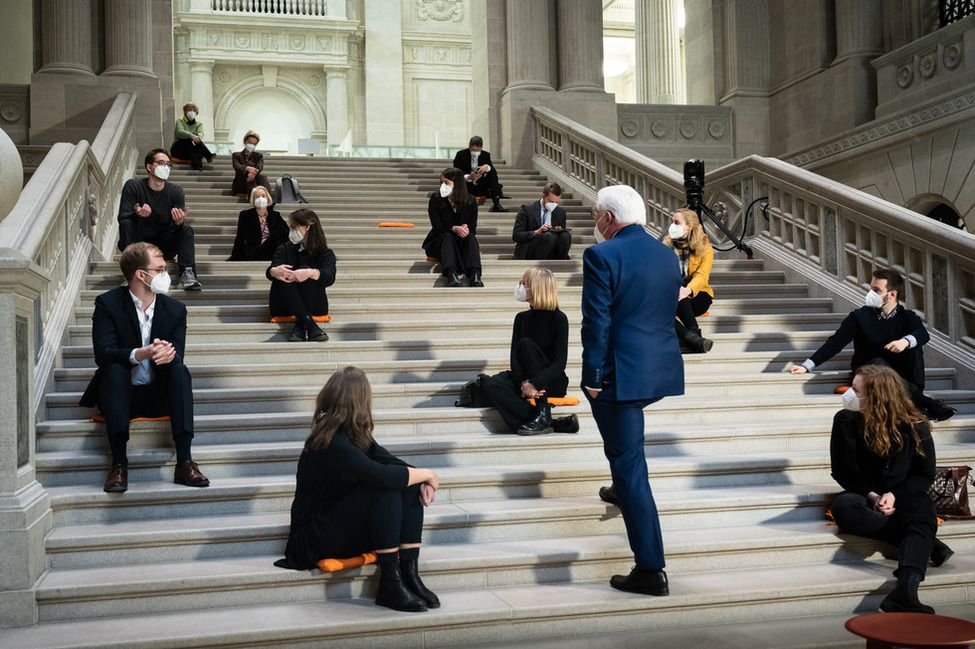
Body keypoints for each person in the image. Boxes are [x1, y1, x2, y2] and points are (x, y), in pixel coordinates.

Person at [582, 185, 684, 596]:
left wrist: (591, 376)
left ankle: (651, 568)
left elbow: (597, 322)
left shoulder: (601, 254)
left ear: (608, 217)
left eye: (595, 214)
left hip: (618, 377)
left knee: (631, 467)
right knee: (624, 455)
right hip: (655, 370)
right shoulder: (666, 254)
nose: (595, 222)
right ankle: (618, 487)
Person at [274, 366, 441, 613]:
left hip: (339, 526)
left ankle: (408, 573)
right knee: (384, 486)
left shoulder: (353, 436)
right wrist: (429, 474)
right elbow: (381, 476)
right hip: (312, 537)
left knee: (407, 483)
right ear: (360, 402)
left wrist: (424, 479)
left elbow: (393, 465)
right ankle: (389, 582)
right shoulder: (330, 442)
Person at [79, 242, 209, 492]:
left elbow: (178, 354)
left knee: (180, 371)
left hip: (158, 395)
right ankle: (119, 464)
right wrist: (141, 353)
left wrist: (167, 354)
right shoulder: (108, 303)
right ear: (141, 274)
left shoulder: (175, 309)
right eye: (160, 269)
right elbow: (103, 354)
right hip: (120, 395)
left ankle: (185, 462)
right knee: (115, 369)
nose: (166, 274)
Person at [829, 364, 953, 614]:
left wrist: (894, 495)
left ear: (877, 397)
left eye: (856, 389)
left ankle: (906, 592)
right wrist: (873, 495)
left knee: (923, 513)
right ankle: (930, 543)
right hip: (864, 493)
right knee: (844, 507)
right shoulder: (844, 420)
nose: (849, 394)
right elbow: (841, 471)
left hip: (904, 491)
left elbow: (924, 474)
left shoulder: (915, 425)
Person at [789, 269, 955, 421]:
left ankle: (914, 400)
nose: (870, 293)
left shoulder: (907, 317)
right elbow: (835, 343)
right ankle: (925, 402)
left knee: (914, 345)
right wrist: (807, 366)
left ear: (892, 295)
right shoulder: (859, 316)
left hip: (899, 374)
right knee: (878, 363)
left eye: (877, 290)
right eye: (871, 288)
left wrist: (904, 342)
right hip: (868, 370)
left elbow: (923, 334)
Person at [481, 268, 579, 436]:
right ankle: (550, 421)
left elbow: (559, 362)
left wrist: (534, 382)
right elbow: (514, 359)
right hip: (525, 380)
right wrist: (525, 384)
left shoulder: (559, 319)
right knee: (490, 384)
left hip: (551, 380)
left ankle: (542, 414)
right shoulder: (521, 318)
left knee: (526, 344)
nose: (520, 286)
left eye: (524, 283)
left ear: (537, 288)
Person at [117, 148, 202, 291]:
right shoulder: (133, 186)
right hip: (139, 245)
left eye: (168, 164)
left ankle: (188, 274)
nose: (165, 167)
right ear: (149, 167)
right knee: (127, 223)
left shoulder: (176, 191)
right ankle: (131, 274)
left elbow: (178, 228)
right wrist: (137, 214)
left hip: (164, 245)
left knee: (187, 230)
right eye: (161, 163)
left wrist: (179, 222)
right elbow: (122, 217)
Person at [267, 208, 336, 342]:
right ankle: (310, 325)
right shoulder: (284, 248)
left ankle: (301, 324)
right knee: (284, 275)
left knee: (307, 271)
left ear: (307, 228)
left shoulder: (325, 253)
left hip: (316, 304)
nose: (291, 231)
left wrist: (310, 273)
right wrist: (274, 271)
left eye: (294, 227)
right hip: (284, 304)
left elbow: (330, 277)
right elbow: (271, 270)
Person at [662, 208, 714, 353]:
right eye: (672, 222)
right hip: (673, 295)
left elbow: (702, 276)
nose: (672, 226)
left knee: (675, 296)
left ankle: (690, 334)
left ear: (689, 226)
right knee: (660, 309)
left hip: (697, 295)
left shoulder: (705, 248)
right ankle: (694, 337)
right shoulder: (666, 246)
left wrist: (687, 290)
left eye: (677, 222)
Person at [422, 167, 483, 287]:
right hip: (440, 242)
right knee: (447, 236)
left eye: (447, 183)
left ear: (457, 184)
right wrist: (453, 228)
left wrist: (466, 228)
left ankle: (475, 274)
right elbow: (437, 227)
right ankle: (451, 274)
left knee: (470, 238)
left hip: (460, 243)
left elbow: (473, 228)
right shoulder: (436, 199)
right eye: (442, 182)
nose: (443, 186)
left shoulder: (470, 200)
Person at [512, 182, 572, 260]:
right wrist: (537, 231)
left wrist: (558, 230)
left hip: (552, 250)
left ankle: (560, 263)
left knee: (565, 236)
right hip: (532, 248)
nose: (554, 205)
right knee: (549, 236)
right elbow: (516, 236)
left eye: (556, 202)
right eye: (551, 201)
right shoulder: (527, 209)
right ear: (543, 196)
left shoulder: (560, 212)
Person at [228, 185, 288, 261]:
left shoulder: (275, 215)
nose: (260, 199)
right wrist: (235, 256)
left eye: (263, 196)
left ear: (267, 198)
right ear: (253, 199)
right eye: (257, 197)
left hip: (272, 249)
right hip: (255, 250)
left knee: (281, 229)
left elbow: (285, 232)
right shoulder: (246, 215)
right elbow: (240, 237)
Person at [452, 136, 507, 213]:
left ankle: (497, 204)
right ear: (469, 147)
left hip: (481, 185)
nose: (476, 152)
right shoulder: (461, 155)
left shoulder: (485, 155)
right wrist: (469, 177)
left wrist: (487, 167)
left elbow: (492, 170)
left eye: (478, 150)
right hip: (467, 186)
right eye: (474, 150)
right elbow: (456, 172)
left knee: (492, 172)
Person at [170, 102, 215, 171]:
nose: (192, 112)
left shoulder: (199, 124)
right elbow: (180, 132)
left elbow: (201, 133)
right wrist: (192, 135)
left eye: (194, 111)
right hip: (178, 149)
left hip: (189, 151)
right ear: (185, 112)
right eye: (189, 110)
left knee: (194, 146)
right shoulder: (180, 121)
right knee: (190, 141)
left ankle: (197, 167)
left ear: (196, 113)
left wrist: (198, 137)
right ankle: (208, 155)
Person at [232, 130, 271, 197]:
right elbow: (237, 166)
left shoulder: (258, 156)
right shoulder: (236, 155)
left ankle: (267, 196)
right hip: (240, 185)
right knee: (247, 173)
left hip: (256, 183)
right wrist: (247, 168)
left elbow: (259, 166)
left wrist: (253, 172)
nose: (252, 145)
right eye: (250, 143)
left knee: (262, 176)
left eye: (254, 144)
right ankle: (254, 196)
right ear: (245, 141)